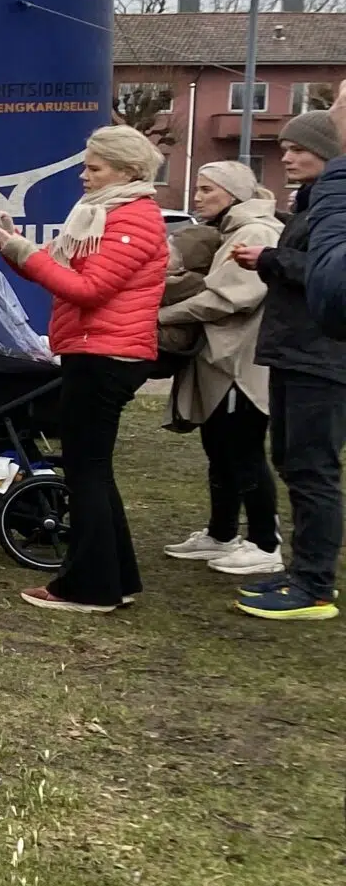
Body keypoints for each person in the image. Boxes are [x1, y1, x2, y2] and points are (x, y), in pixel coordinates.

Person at [0, 123, 168, 613]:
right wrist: (9, 242)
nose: (83, 175)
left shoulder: (131, 219)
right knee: (93, 471)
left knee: (86, 472)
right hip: (99, 350)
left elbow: (87, 291)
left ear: (126, 171)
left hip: (105, 355)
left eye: (94, 167)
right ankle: (115, 577)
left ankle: (87, 588)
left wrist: (22, 250)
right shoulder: (109, 214)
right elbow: (67, 275)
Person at [227, 110, 346, 620]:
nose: (288, 157)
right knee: (293, 463)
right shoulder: (314, 204)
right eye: (284, 149)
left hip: (321, 357)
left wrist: (270, 259)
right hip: (295, 352)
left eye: (299, 149)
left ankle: (316, 585)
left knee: (313, 469)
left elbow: (328, 272)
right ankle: (301, 572)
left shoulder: (333, 207)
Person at [157, 160, 282, 577]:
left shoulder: (255, 232)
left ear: (233, 193)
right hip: (221, 359)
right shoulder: (233, 231)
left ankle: (266, 543)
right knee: (219, 447)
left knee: (242, 449)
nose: (197, 197)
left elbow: (229, 298)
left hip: (241, 363)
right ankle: (222, 532)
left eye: (207, 190)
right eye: (198, 188)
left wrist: (164, 315)